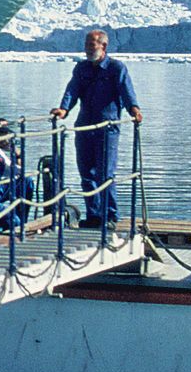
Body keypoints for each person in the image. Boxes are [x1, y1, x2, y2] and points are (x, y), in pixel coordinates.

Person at [50, 30, 142, 230]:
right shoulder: (82, 68)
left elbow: (126, 92)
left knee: (105, 174)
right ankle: (93, 214)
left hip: (106, 128)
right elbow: (72, 90)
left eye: (92, 45)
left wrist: (134, 109)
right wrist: (64, 109)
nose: (88, 49)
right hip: (84, 126)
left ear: (104, 46)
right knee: (86, 172)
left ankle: (109, 215)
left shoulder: (116, 68)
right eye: (86, 45)